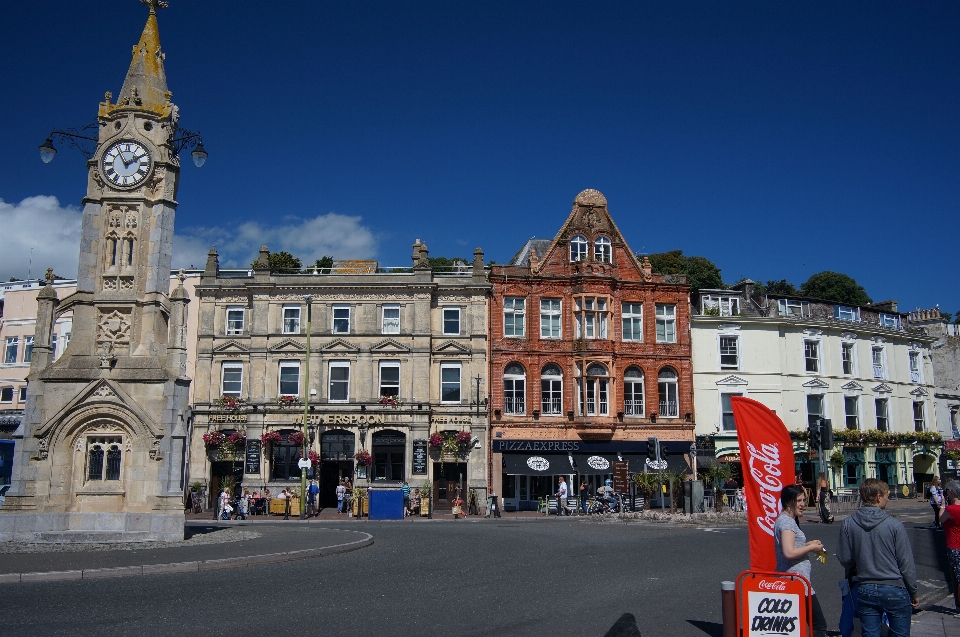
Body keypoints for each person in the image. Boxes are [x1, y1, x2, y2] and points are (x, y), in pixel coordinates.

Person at [837, 478, 919, 637]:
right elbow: (905, 562)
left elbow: (845, 558)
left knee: (870, 633)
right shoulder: (894, 524)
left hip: (865, 587)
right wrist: (913, 591)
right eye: (887, 495)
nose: (888, 499)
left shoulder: (848, 523)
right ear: (878, 497)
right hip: (894, 586)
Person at [774, 484, 827, 637]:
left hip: (795, 581)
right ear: (789, 502)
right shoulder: (786, 522)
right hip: (795, 582)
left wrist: (807, 544)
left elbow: (791, 546)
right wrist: (811, 549)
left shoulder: (787, 521)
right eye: (799, 501)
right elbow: (789, 552)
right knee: (819, 624)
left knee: (793, 626)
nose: (803, 504)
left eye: (803, 500)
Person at [940, 480, 960, 614]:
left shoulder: (951, 509)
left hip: (954, 546)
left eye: (947, 491)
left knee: (957, 578)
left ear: (952, 492)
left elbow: (941, 519)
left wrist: (942, 504)